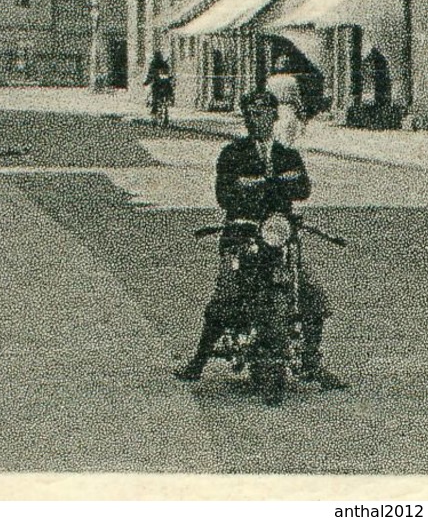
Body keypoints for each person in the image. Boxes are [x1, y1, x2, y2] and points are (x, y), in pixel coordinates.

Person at [172, 89, 347, 404]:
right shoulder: (232, 154)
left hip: (278, 236)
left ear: (275, 117)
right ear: (245, 118)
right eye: (251, 114)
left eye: (264, 113)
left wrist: (259, 185)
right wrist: (274, 186)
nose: (258, 120)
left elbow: (303, 188)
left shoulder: (287, 155)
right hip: (242, 234)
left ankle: (311, 361)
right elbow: (225, 196)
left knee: (311, 295)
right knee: (226, 293)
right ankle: (198, 361)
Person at [264, 50, 308, 150]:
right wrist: (302, 113)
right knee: (288, 140)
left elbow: (267, 98)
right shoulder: (292, 81)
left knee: (275, 139)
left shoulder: (270, 80)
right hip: (289, 111)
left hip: (276, 111)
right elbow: (297, 99)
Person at [144, 51, 175, 128]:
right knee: (167, 92)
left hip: (159, 85)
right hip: (164, 85)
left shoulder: (154, 65)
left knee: (155, 98)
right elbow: (168, 74)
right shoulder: (164, 64)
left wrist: (146, 82)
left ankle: (155, 113)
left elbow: (150, 76)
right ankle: (170, 100)